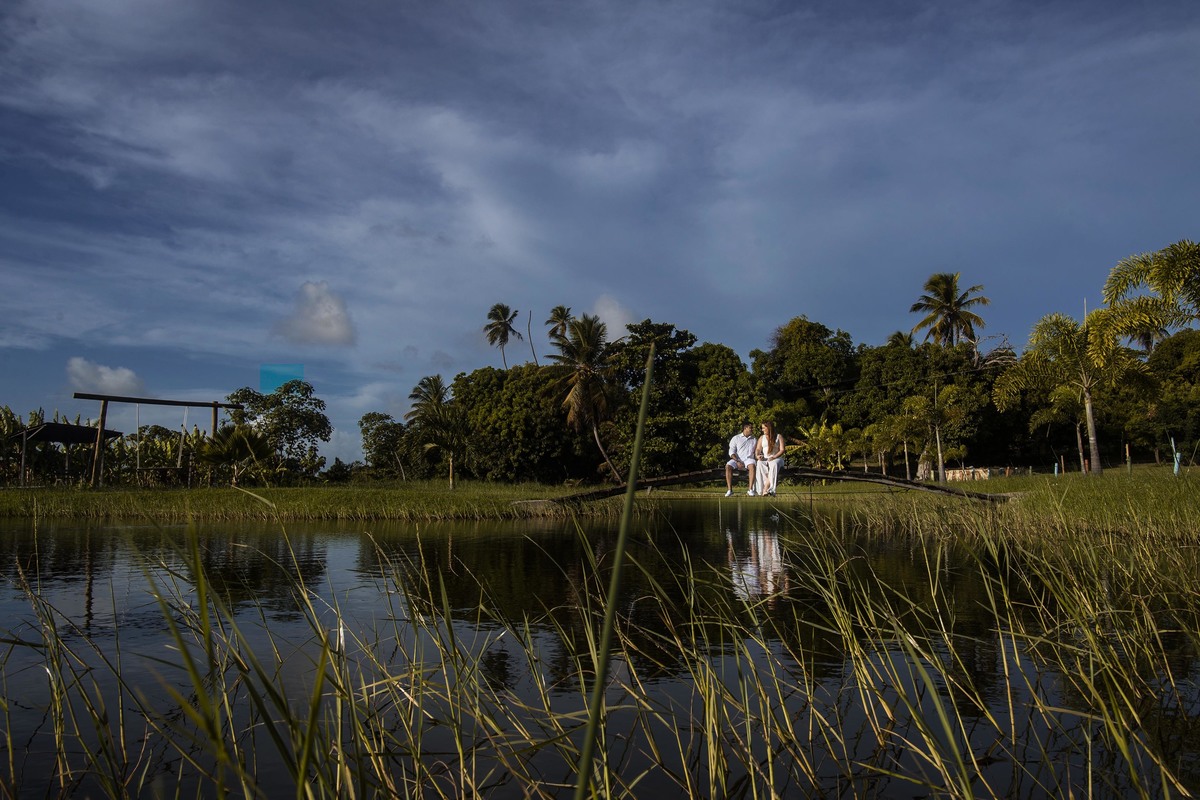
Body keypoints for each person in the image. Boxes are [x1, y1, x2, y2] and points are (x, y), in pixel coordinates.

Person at [725, 422, 758, 496]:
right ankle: (729, 490)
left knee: (752, 466)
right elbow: (731, 452)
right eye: (750, 428)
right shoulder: (736, 438)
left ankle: (750, 490)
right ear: (745, 428)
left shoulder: (754, 439)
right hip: (736, 459)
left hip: (748, 459)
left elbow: (756, 452)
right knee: (728, 466)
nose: (752, 429)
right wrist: (737, 461)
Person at [755, 420, 786, 496]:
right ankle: (762, 489)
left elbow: (782, 450)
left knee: (774, 464)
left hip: (777, 458)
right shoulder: (762, 438)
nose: (762, 430)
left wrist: (774, 457)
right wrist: (758, 455)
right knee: (759, 463)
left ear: (769, 428)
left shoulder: (778, 436)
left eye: (763, 428)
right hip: (766, 458)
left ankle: (770, 489)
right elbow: (758, 449)